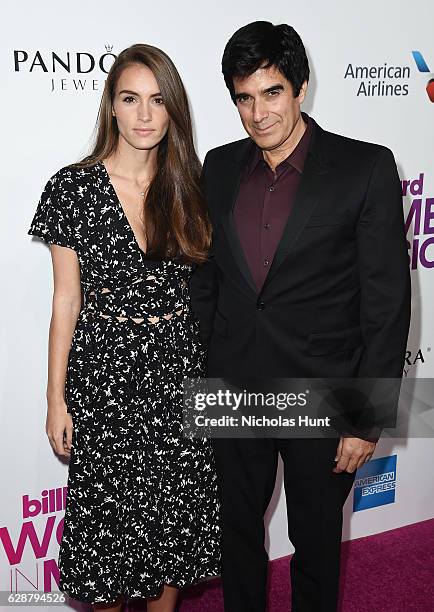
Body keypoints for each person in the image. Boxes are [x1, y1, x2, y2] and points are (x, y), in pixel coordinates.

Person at [190, 21, 411, 612]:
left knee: (314, 544)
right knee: (236, 538)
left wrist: (365, 419)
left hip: (323, 394)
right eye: (243, 97)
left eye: (272, 92)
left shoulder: (364, 168)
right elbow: (207, 284)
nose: (258, 113)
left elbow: (387, 304)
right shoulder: (217, 167)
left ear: (301, 87)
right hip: (235, 389)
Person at [28, 44, 221, 611]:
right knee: (109, 537)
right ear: (111, 106)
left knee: (170, 527)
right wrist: (55, 400)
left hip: (177, 368)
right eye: (130, 99)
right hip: (106, 375)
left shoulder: (188, 184)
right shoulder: (73, 188)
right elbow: (66, 301)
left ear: (173, 111)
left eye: (157, 101)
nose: (143, 115)